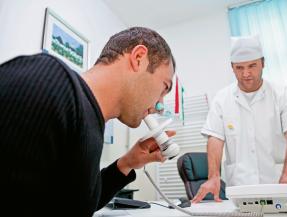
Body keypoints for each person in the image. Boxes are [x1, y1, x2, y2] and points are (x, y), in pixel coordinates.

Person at [0, 27, 176, 216]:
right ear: (139, 58)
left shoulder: (90, 124)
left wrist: (127, 163)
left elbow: (77, 202)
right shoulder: (48, 83)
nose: (160, 105)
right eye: (164, 87)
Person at [191, 35, 287, 205]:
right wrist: (213, 177)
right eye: (239, 67)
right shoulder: (222, 99)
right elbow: (215, 139)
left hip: (278, 185)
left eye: (252, 66)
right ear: (232, 67)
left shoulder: (282, 94)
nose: (246, 74)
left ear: (263, 63)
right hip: (240, 189)